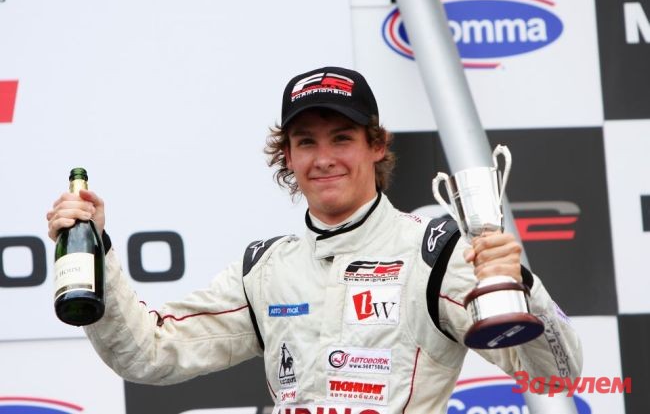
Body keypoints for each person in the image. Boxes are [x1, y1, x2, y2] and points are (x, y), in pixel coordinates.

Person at [47, 66, 582, 414]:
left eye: (342, 138)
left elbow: (556, 375)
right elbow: (149, 355)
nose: (324, 159)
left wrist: (519, 288)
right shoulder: (265, 269)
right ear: (288, 157)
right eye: (306, 142)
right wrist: (97, 254)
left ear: (376, 145)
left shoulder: (435, 254)